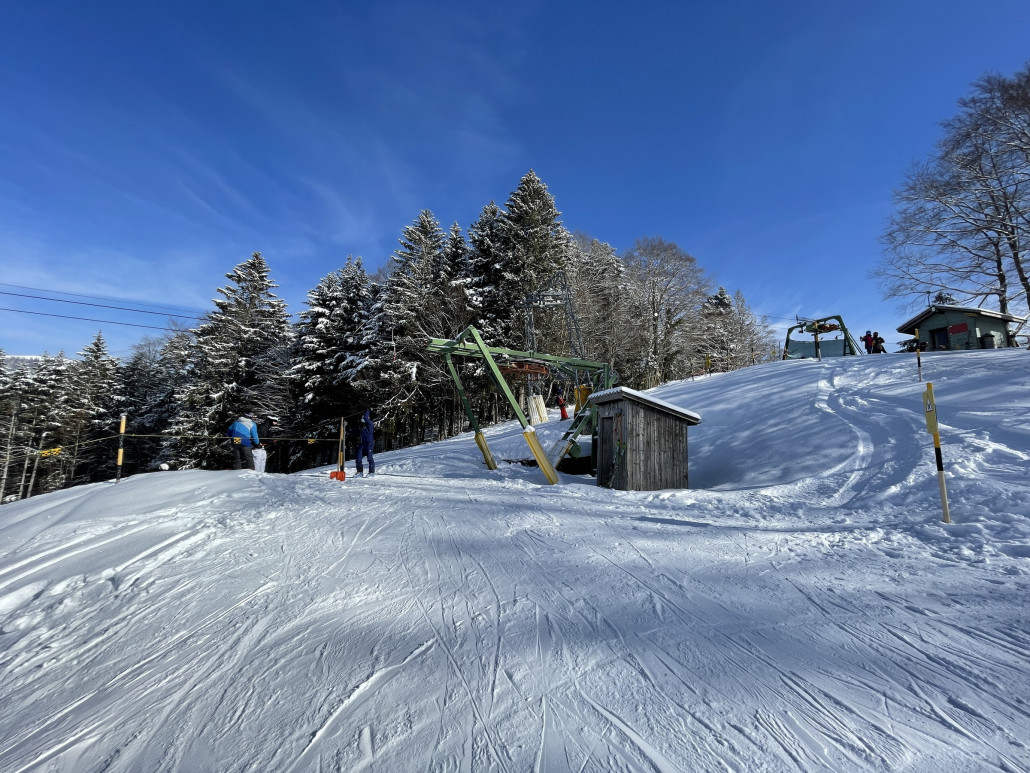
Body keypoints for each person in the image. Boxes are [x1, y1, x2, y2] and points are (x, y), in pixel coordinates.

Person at [355, 408, 375, 477]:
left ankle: (371, 472)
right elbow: (355, 431)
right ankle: (359, 472)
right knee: (358, 458)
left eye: (364, 417)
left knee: (369, 458)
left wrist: (367, 410)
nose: (363, 419)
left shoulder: (370, 424)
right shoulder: (362, 427)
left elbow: (365, 418)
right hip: (363, 443)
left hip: (369, 443)